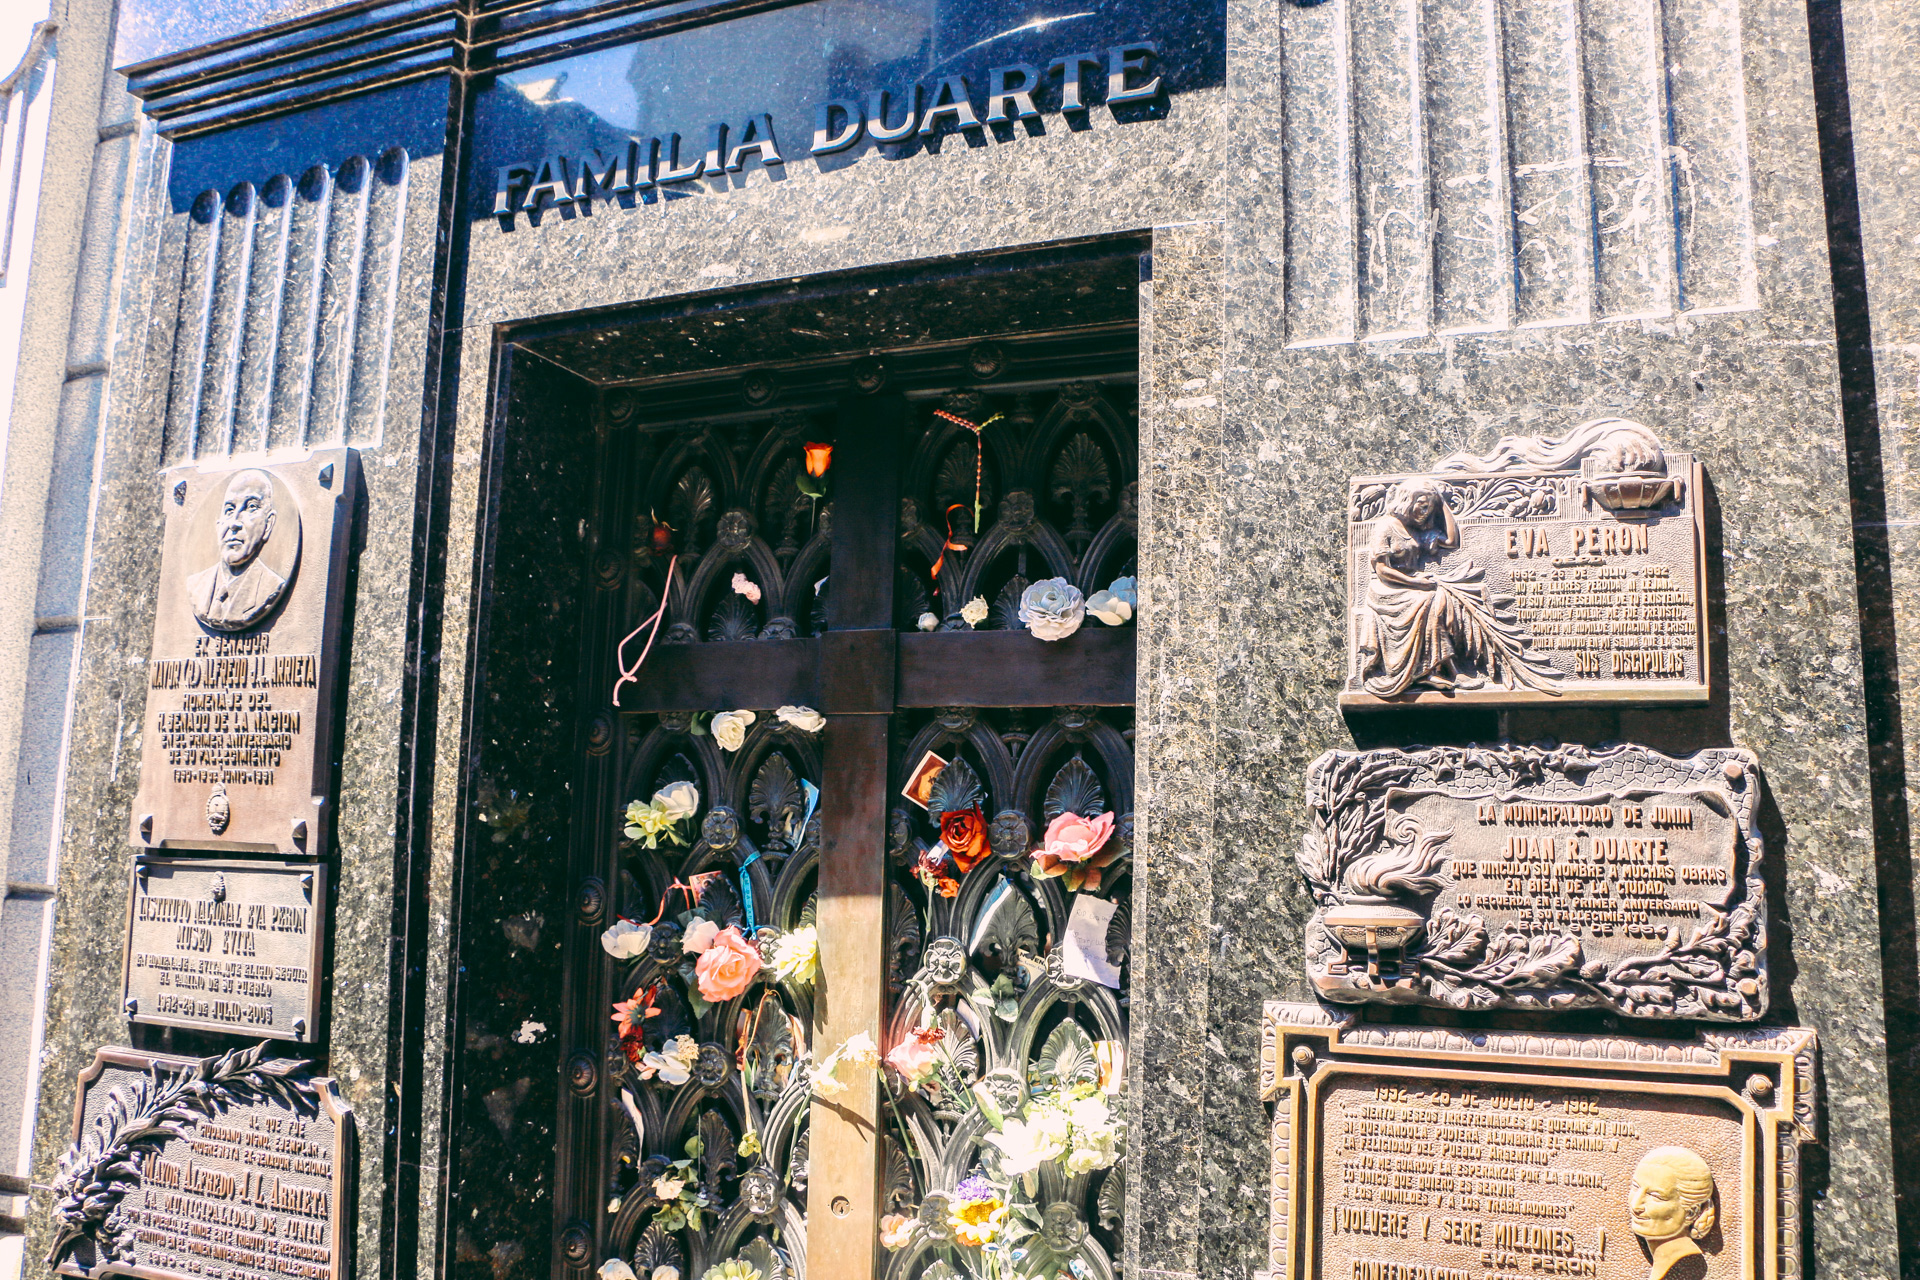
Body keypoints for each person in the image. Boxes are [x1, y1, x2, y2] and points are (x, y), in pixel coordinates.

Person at [1353, 479, 1556, 696]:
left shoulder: (1414, 530)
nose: (1425, 511)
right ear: (1407, 501)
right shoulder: (1385, 526)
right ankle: (1440, 670)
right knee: (1430, 600)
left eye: (1429, 508)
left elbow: (1451, 540)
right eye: (1422, 504)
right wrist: (1416, 582)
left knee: (1443, 598)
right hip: (1388, 589)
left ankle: (1443, 669)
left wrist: (1441, 502)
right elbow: (1382, 570)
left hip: (1414, 585)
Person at [186, 470, 289, 632]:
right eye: (229, 510)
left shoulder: (271, 587)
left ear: (268, 524)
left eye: (251, 507)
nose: (234, 523)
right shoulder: (195, 585)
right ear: (218, 524)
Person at [1627, 1146, 1717, 1280]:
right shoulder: (1662, 1262)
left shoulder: (1688, 1269)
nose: (1635, 1205)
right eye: (1635, 1187)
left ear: (1691, 1213)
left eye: (1656, 1196)